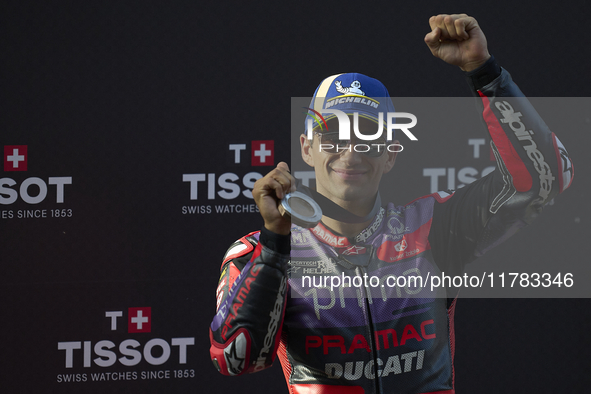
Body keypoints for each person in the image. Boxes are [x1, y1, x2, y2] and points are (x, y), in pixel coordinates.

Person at [209, 14, 574, 394]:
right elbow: (236, 357)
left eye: (367, 135)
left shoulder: (434, 225)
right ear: (307, 149)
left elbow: (546, 180)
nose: (351, 154)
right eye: (333, 134)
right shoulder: (258, 250)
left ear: (390, 155)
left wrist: (484, 72)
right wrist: (274, 245)